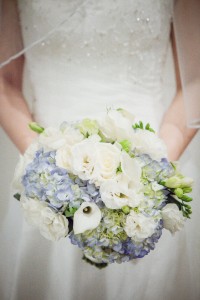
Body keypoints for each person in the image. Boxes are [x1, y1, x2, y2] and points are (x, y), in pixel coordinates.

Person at [0, 0, 199, 299]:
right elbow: (5, 81)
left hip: (151, 174)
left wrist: (149, 179)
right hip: (48, 183)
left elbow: (195, 79)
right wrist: (46, 171)